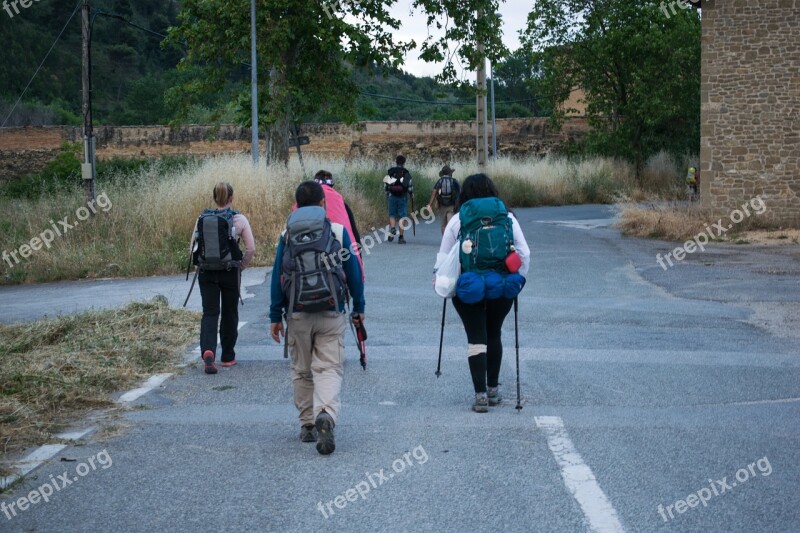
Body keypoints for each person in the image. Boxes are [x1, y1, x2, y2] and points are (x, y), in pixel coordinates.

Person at [270, 181, 365, 455]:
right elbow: (354, 272)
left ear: (297, 205)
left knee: (302, 369)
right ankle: (326, 413)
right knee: (328, 368)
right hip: (331, 309)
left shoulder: (286, 234)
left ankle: (308, 425)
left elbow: (278, 276)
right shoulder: (337, 230)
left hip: (297, 311)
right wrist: (358, 307)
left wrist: (275, 315)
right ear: (323, 203)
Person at [437, 174, 530, 412]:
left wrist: (443, 283)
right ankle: (493, 391)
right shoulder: (507, 217)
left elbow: (444, 258)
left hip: (469, 287)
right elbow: (524, 253)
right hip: (502, 285)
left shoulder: (457, 220)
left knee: (476, 336)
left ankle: (480, 396)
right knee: (494, 333)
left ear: (464, 195)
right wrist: (518, 280)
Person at [190, 182, 256, 374]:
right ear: (231, 199)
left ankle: (208, 351)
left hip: (206, 272)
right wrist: (241, 267)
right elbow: (251, 249)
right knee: (229, 312)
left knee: (210, 313)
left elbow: (193, 248)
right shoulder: (239, 219)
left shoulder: (201, 218)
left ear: (214, 198)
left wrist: (202, 266)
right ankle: (227, 356)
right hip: (230, 272)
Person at [312, 170, 363, 275]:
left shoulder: (302, 202)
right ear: (332, 185)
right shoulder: (341, 203)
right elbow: (354, 234)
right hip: (337, 257)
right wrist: (359, 265)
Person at [384, 155, 414, 244]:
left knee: (392, 214)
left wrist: (387, 193)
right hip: (402, 197)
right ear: (404, 162)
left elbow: (386, 185)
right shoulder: (406, 173)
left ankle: (393, 228)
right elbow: (409, 186)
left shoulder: (390, 172)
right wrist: (412, 194)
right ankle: (401, 237)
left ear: (396, 161)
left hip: (392, 196)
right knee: (402, 216)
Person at [427, 165, 460, 234]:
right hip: (452, 206)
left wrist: (430, 204)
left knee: (443, 225)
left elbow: (434, 193)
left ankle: (444, 240)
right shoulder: (454, 181)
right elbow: (460, 192)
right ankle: (451, 240)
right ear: (450, 173)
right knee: (450, 223)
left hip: (442, 206)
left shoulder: (439, 181)